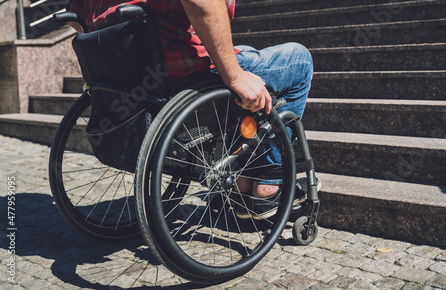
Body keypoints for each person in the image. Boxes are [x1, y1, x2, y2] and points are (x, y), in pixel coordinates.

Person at [66, 0, 314, 219]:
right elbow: (201, 5)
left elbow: (77, 22)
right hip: (184, 73)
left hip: (136, 85)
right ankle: (266, 184)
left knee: (245, 52)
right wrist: (235, 77)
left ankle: (244, 177)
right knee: (299, 60)